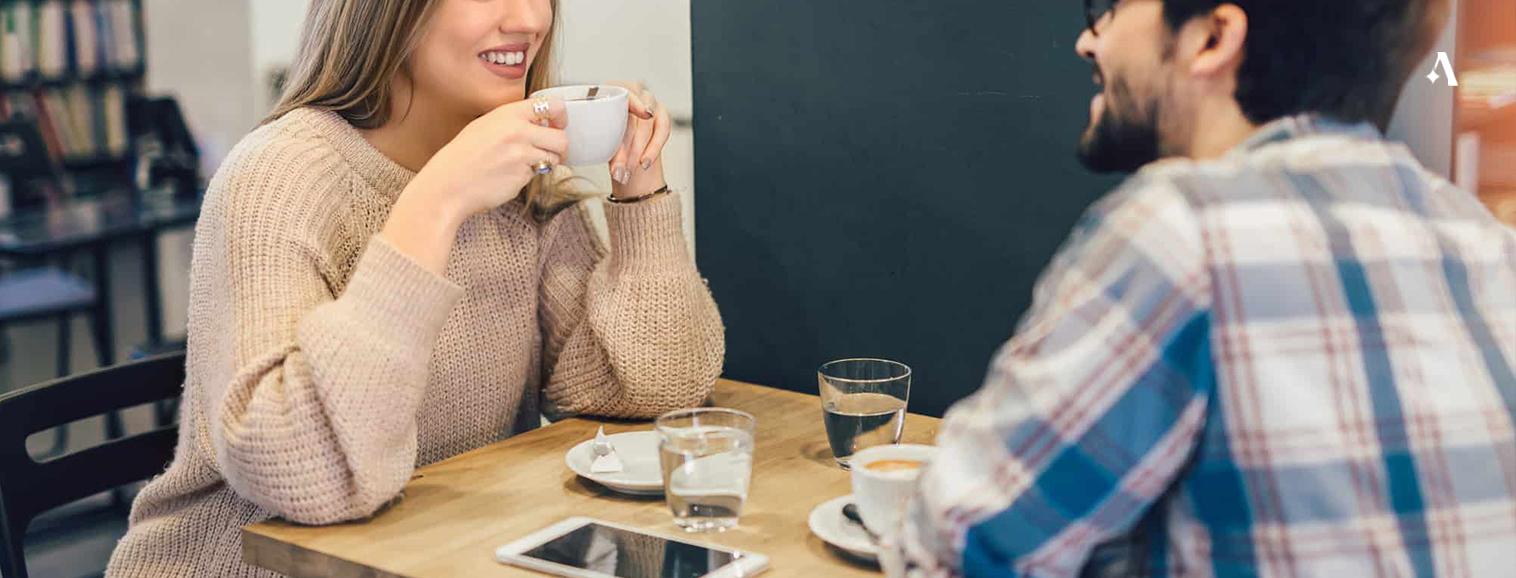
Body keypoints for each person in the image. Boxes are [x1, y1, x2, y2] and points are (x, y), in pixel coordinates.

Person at [889, 0, 1515, 575]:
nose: (1088, 41)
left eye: (1109, 9)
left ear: (1213, 37)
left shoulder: (1186, 231)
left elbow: (958, 544)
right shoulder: (1483, 242)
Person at [106, 0, 724, 575]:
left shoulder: (525, 183)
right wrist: (438, 200)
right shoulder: (277, 177)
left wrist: (639, 185)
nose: (529, 19)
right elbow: (306, 475)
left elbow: (651, 388)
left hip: (442, 553)